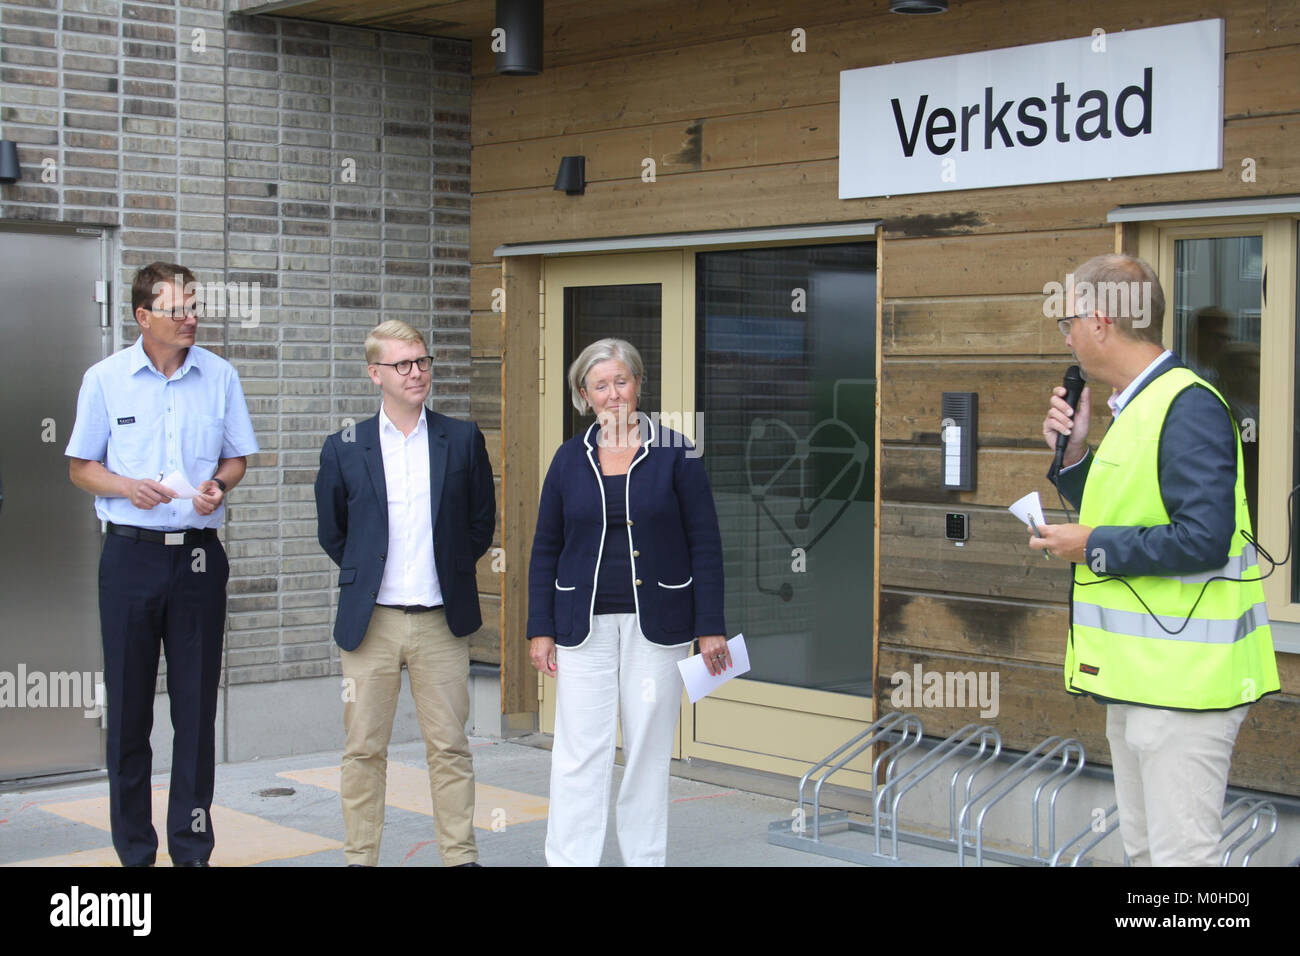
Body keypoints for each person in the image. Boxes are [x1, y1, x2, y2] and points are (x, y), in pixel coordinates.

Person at [1033, 253, 1279, 867]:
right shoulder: (1138, 406)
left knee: (1182, 864)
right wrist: (1074, 455)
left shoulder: (1186, 406)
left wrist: (1088, 545)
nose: (1064, 335)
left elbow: (1202, 540)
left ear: (1099, 320)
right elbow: (1126, 510)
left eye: (1067, 321)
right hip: (1143, 682)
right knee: (1147, 857)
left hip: (1185, 689)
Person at [65, 261, 259, 867]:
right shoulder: (104, 380)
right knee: (128, 713)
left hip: (199, 560)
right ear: (143, 315)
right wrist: (126, 486)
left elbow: (236, 460)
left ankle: (192, 849)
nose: (190, 318)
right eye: (178, 309)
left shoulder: (220, 376)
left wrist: (217, 488)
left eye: (194, 306)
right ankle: (135, 854)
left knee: (197, 712)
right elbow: (80, 467)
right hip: (129, 556)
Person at [526, 338, 727, 866]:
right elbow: (546, 544)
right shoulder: (569, 458)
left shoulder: (676, 451)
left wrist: (711, 627)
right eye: (600, 385)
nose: (613, 394)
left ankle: (643, 859)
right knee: (579, 752)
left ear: (638, 383)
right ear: (583, 394)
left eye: (622, 381)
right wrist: (539, 628)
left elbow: (705, 542)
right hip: (581, 625)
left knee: (646, 752)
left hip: (658, 625)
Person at [314, 320, 495, 867]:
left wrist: (450, 570)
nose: (416, 373)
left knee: (450, 748)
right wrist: (369, 576)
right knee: (364, 749)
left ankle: (460, 857)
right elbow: (334, 532)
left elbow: (480, 524)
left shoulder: (462, 438)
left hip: (442, 620)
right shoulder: (344, 447)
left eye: (422, 361)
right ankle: (360, 858)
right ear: (375, 374)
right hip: (371, 623)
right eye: (402, 365)